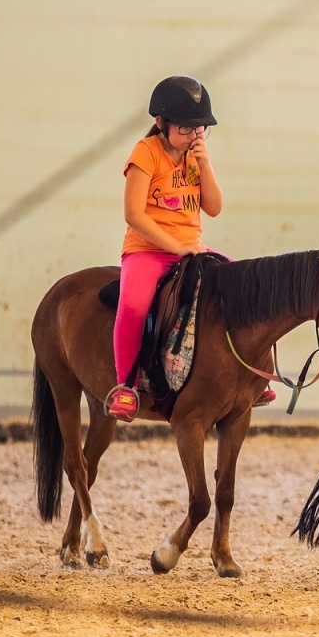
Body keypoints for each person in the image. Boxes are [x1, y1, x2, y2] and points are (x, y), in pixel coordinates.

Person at [104, 75, 258, 421]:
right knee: (132, 306)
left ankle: (254, 377)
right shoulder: (146, 153)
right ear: (161, 122)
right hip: (148, 250)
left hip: (192, 249)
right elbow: (134, 214)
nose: (193, 134)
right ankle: (125, 386)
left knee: (244, 289)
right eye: (186, 128)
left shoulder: (195, 157)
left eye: (200, 128)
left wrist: (204, 163)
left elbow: (214, 207)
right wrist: (176, 247)